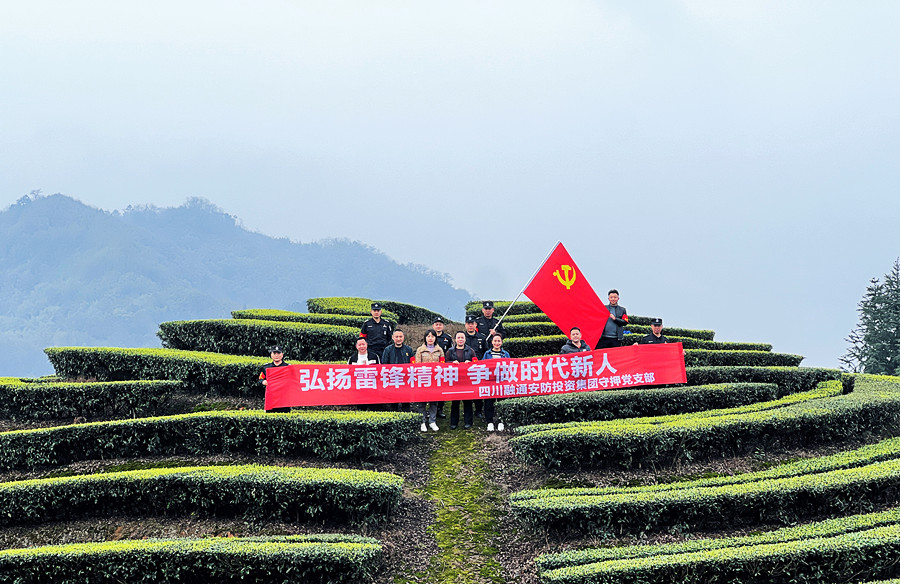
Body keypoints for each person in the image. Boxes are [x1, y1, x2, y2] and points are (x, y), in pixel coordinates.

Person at [445, 331, 478, 429]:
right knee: (455, 402)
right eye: (458, 338)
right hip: (455, 380)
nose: (460, 340)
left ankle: (468, 422)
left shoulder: (470, 350)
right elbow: (445, 363)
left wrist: (470, 362)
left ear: (465, 339)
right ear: (455, 339)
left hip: (467, 380)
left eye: (462, 338)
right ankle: (454, 423)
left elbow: (476, 362)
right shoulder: (450, 351)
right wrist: (452, 362)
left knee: (467, 402)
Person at [414, 330, 444, 432]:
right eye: (428, 336)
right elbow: (417, 365)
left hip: (435, 380)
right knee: (422, 402)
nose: (430, 338)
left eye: (432, 336)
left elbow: (442, 364)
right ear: (425, 338)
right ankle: (422, 422)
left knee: (434, 402)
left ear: (435, 338)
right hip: (423, 379)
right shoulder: (420, 350)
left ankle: (432, 421)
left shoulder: (439, 350)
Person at [381, 329, 416, 412]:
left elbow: (413, 364)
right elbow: (384, 364)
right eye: (396, 337)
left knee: (406, 402)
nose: (399, 338)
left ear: (403, 338)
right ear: (393, 338)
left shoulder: (409, 349)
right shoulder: (388, 350)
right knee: (394, 402)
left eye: (400, 336)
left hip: (406, 379)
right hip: (393, 379)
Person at [481, 334, 509, 432]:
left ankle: (501, 421)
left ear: (501, 342)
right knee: (489, 402)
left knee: (502, 402)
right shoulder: (487, 354)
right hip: (490, 381)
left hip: (502, 381)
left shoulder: (505, 354)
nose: (497, 343)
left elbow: (510, 366)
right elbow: (483, 366)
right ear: (492, 342)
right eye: (495, 341)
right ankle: (490, 422)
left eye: (499, 341)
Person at [463, 315, 488, 418]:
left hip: (478, 369)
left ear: (475, 325)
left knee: (478, 391)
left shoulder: (481, 338)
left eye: (472, 323)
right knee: (466, 392)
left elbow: (486, 352)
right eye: (468, 324)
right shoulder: (462, 337)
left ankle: (478, 410)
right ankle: (467, 412)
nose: (470, 326)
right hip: (464, 369)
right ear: (465, 325)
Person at [431, 316, 453, 419]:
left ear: (442, 326)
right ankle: (431, 409)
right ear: (433, 326)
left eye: (440, 324)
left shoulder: (447, 338)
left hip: (443, 367)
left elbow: (451, 351)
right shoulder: (430, 336)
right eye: (436, 324)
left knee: (442, 389)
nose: (438, 326)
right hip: (432, 367)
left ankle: (440, 409)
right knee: (432, 389)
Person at [259, 345, 290, 413]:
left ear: (282, 354)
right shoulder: (266, 367)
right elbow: (260, 378)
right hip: (271, 398)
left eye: (278, 353)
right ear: (271, 355)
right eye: (274, 353)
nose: (276, 355)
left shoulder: (288, 367)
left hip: (284, 399)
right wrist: (263, 381)